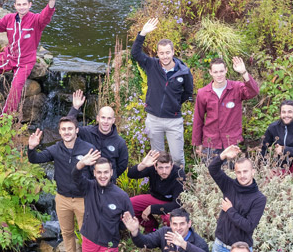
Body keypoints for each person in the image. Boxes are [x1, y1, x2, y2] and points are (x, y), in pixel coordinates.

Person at [27, 116, 97, 252]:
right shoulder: (56, 149)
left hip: (83, 199)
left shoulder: (88, 148)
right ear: (59, 131)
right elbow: (35, 159)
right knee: (66, 232)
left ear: (76, 130)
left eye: (70, 129)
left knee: (87, 234)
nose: (67, 132)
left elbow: (99, 174)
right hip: (62, 198)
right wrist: (31, 148)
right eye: (64, 129)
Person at [0, 0, 59, 114]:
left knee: (16, 88)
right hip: (9, 56)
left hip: (25, 62)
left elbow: (46, 16)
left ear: (30, 5)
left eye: (24, 4)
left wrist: (51, 2)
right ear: (15, 6)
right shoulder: (9, 18)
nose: (22, 7)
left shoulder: (36, 20)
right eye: (19, 4)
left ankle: (5, 118)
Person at [131, 17, 193, 169]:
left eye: (167, 52)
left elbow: (188, 92)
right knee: (157, 157)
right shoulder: (151, 65)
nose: (165, 56)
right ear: (157, 53)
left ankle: (180, 188)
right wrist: (142, 33)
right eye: (161, 53)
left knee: (177, 158)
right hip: (154, 119)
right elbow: (135, 54)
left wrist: (174, 104)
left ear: (173, 52)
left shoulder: (184, 72)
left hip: (173, 121)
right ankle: (159, 187)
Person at [207, 145, 266, 252]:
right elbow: (213, 169)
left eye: (245, 171)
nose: (242, 175)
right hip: (220, 247)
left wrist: (230, 210)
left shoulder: (259, 198)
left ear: (253, 172)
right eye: (238, 172)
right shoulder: (229, 185)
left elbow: (248, 225)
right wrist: (223, 156)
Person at [192, 57, 259, 157]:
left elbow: (253, 92)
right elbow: (198, 119)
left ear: (226, 70)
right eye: (215, 72)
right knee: (209, 171)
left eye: (221, 71)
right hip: (211, 143)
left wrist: (244, 72)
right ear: (210, 72)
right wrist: (197, 143)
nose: (219, 75)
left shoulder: (236, 88)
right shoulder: (203, 93)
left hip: (231, 142)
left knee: (230, 172)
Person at [67, 90, 128, 181]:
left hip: (107, 184)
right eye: (103, 118)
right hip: (87, 182)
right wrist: (75, 108)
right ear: (98, 118)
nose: (106, 122)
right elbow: (68, 128)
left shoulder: (120, 142)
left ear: (113, 120)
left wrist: (110, 177)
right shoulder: (86, 132)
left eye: (109, 118)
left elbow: (121, 166)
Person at [126, 150, 184, 233]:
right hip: (155, 198)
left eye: (167, 167)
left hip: (171, 204)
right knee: (129, 204)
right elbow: (131, 175)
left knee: (169, 218)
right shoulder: (152, 169)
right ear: (155, 166)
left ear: (172, 166)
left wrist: (152, 208)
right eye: (160, 168)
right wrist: (142, 165)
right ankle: (152, 228)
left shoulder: (179, 174)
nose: (164, 171)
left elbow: (177, 204)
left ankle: (167, 238)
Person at [260, 99, 293, 175]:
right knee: (269, 177)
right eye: (283, 112)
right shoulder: (273, 127)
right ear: (280, 114)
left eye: (290, 112)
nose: (286, 115)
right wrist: (263, 166)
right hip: (281, 166)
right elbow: (263, 148)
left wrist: (284, 149)